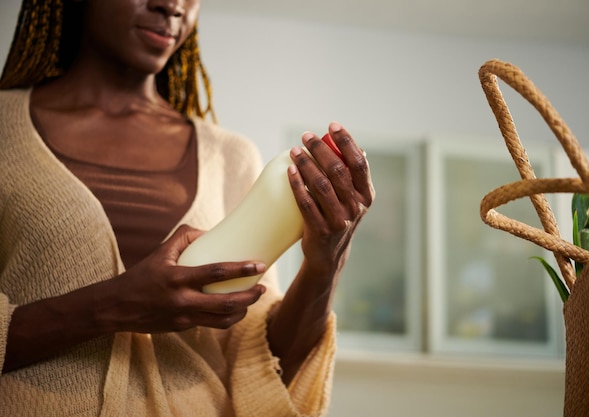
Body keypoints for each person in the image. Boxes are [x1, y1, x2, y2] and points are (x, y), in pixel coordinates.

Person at [0, 0, 374, 415]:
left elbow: (263, 366)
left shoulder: (231, 157)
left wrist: (324, 265)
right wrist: (112, 305)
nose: (172, 6)